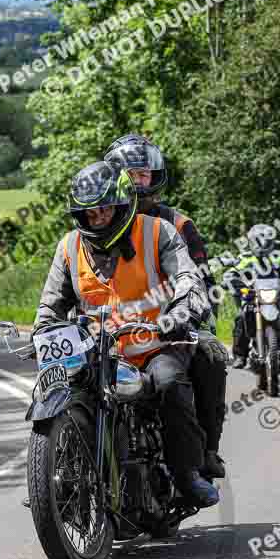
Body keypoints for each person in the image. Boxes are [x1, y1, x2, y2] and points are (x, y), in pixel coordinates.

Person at [32, 160, 219, 508]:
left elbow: (188, 278)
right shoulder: (69, 246)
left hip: (156, 342)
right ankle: (51, 474)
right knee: (59, 385)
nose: (98, 218)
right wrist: (42, 329)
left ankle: (187, 473)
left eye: (104, 209)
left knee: (169, 383)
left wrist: (182, 311)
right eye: (89, 213)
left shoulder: (157, 231)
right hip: (97, 349)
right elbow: (50, 304)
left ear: (121, 204)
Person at [104, 135, 227, 478]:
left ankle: (206, 450)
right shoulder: (96, 222)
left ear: (155, 177)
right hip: (113, 333)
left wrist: (190, 318)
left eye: (142, 174)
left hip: (172, 328)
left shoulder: (179, 224)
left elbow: (201, 281)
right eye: (126, 173)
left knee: (210, 354)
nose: (134, 181)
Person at [232, 224, 280, 369]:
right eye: (258, 241)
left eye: (265, 241)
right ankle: (240, 356)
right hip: (252, 297)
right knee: (241, 317)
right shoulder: (245, 258)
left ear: (271, 242)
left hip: (275, 298)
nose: (262, 244)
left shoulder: (278, 258)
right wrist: (230, 278)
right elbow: (233, 271)